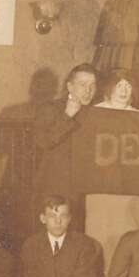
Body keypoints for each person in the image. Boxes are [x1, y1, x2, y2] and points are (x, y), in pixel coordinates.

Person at [86, 68, 139, 270]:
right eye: (119, 85)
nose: (123, 90)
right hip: (101, 187)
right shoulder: (93, 114)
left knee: (130, 231)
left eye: (128, 86)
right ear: (109, 89)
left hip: (129, 187)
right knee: (102, 233)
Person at [33, 63, 97, 212]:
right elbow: (42, 142)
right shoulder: (50, 108)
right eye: (82, 85)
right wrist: (67, 116)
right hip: (57, 188)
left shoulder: (96, 112)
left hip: (86, 186)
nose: (88, 91)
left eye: (92, 85)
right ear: (70, 87)